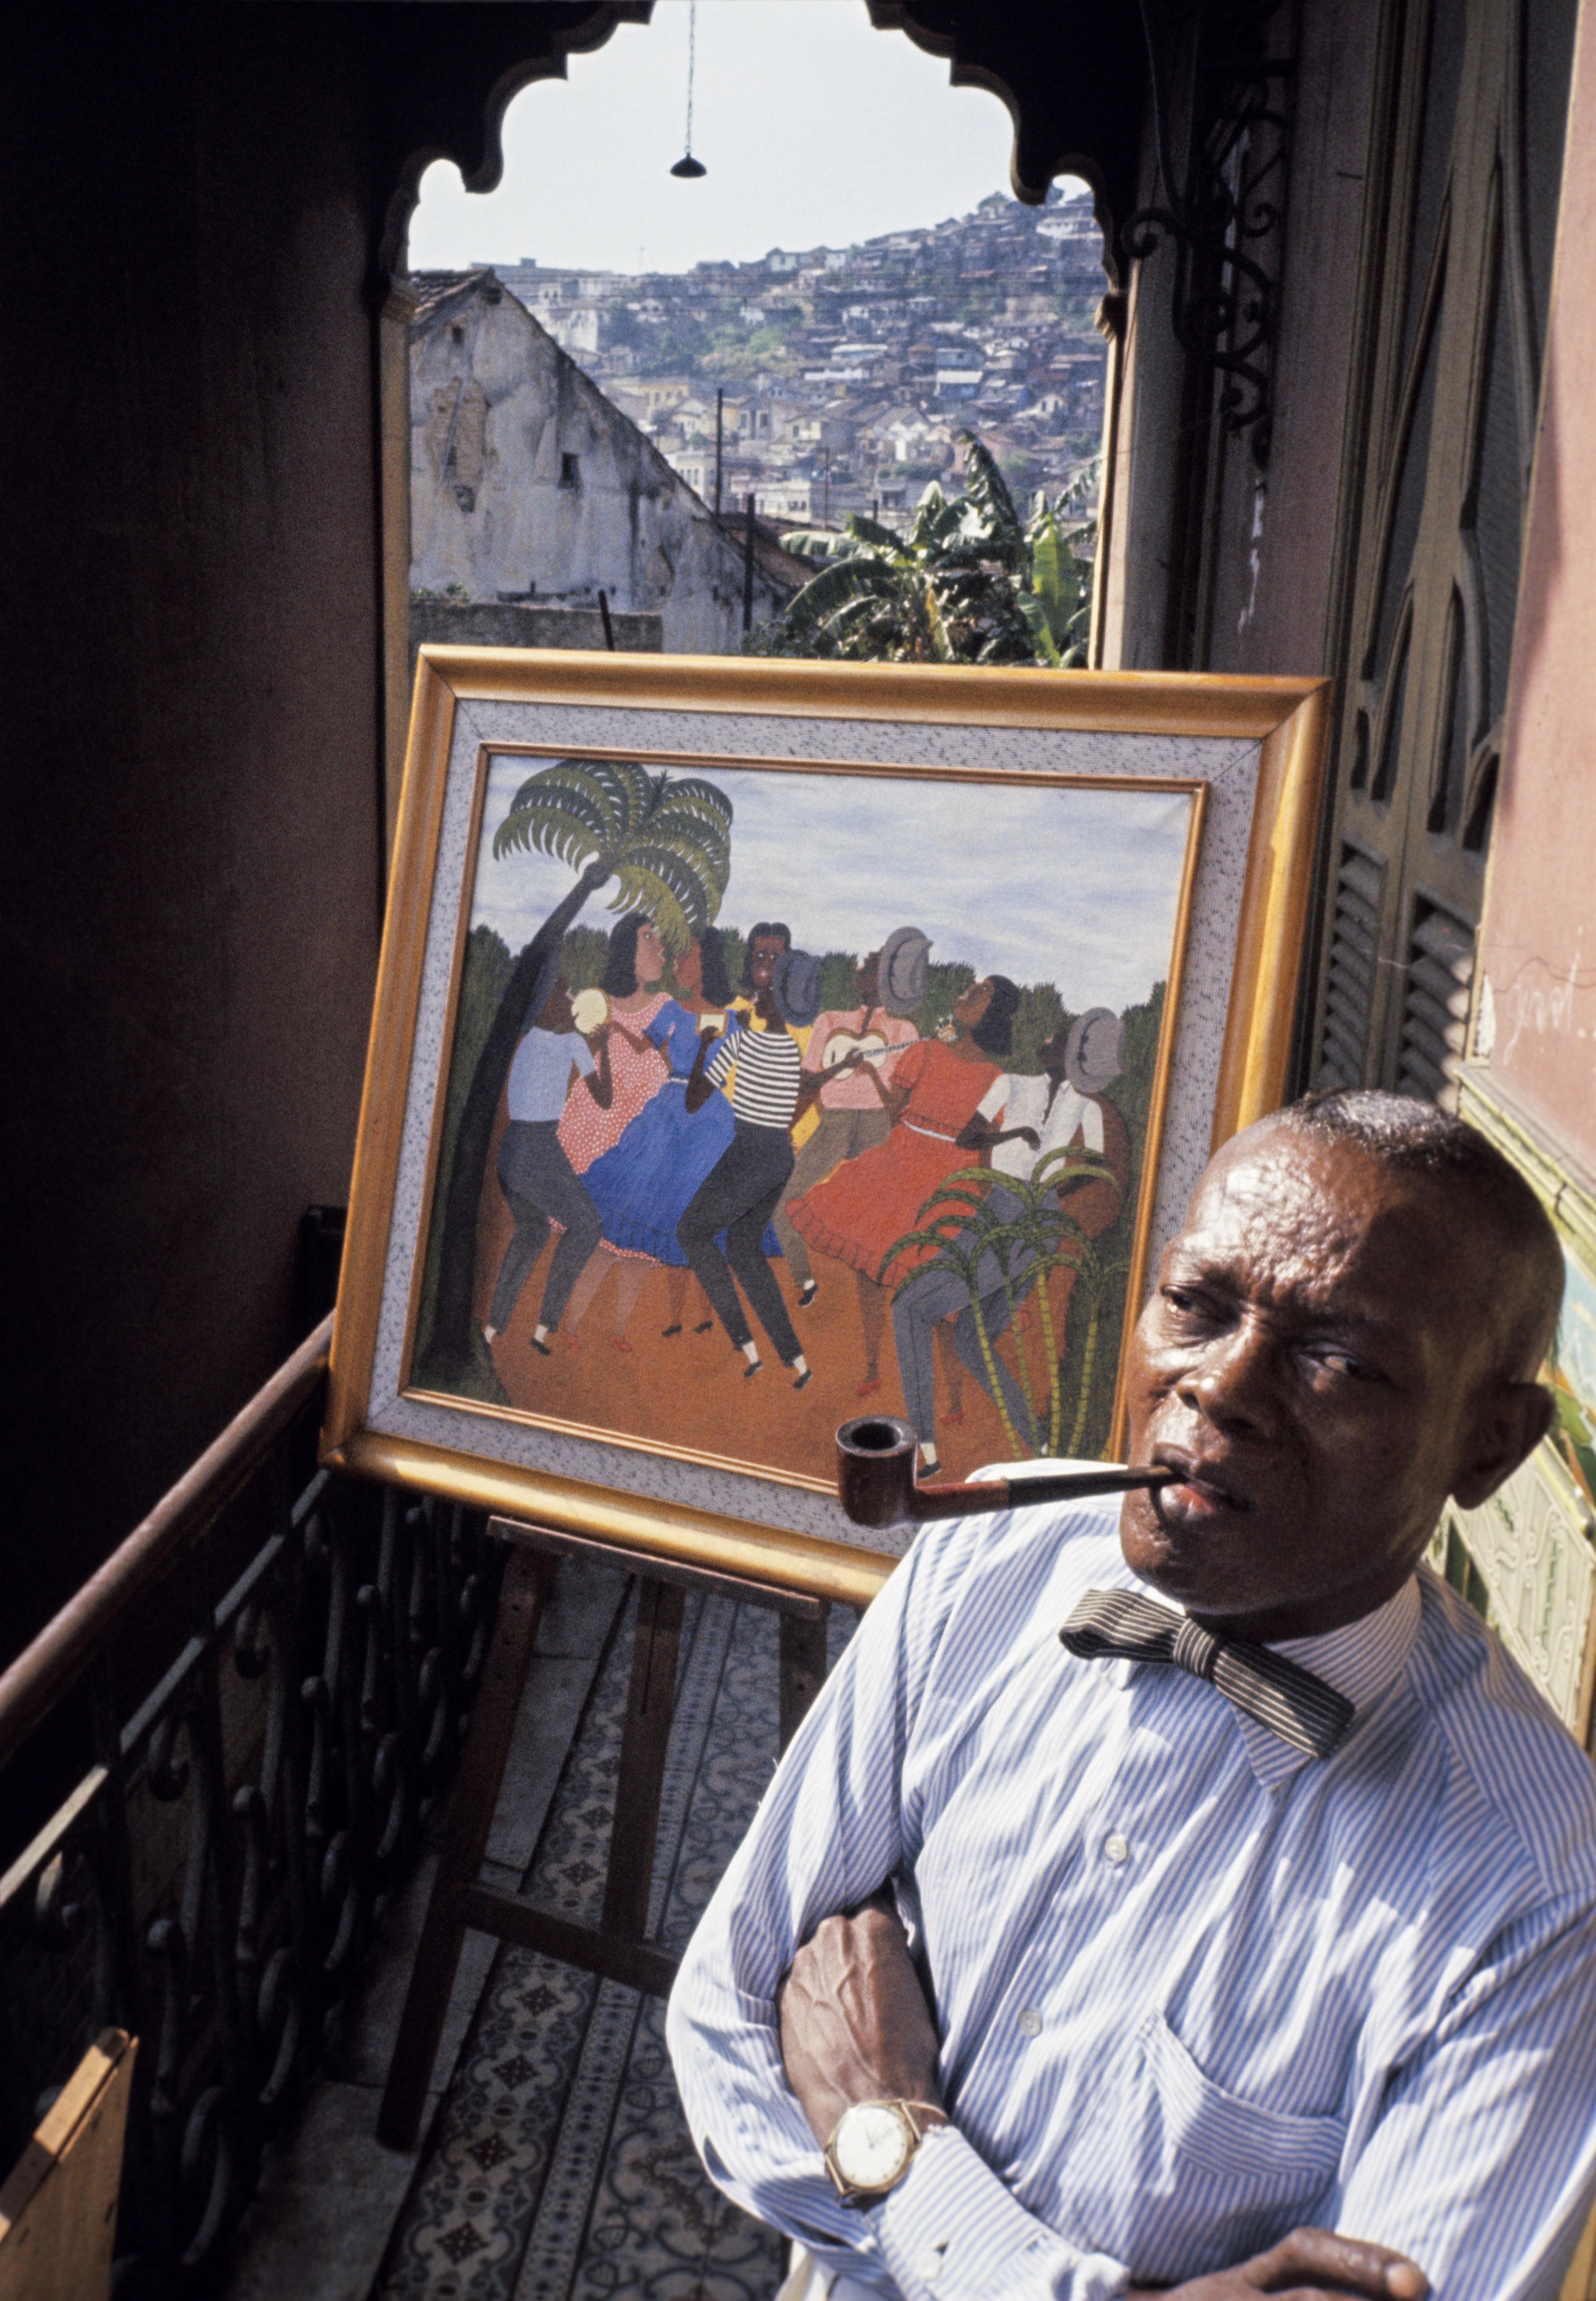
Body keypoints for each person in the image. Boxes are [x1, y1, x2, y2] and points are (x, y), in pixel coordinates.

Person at [668, 1089, 1596, 2301]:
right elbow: (732, 2009)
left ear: (1489, 1444)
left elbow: (832, 2084)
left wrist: (893, 2153)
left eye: (1341, 1358)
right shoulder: (984, 1560)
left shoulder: (1539, 1883)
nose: (1217, 1387)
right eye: (1196, 1307)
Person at [892, 1009, 1131, 1468]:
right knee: (971, 1340)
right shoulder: (1013, 1084)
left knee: (909, 1307)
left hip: (1034, 1217)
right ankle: (1037, 1441)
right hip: (1000, 1208)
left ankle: (924, 1447)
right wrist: (1013, 1133)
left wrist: (1053, 1192)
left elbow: (1095, 1164)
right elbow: (968, 1137)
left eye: (1059, 1037)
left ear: (1075, 1053)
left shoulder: (1087, 1106)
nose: (1046, 1040)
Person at [786, 974, 1020, 1398]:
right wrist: (870, 1075)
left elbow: (985, 1145)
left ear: (995, 1013)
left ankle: (952, 1393)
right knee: (871, 1263)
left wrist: (983, 1206)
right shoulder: (924, 1050)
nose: (967, 990)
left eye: (981, 991)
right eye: (970, 987)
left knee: (942, 1293)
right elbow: (894, 1110)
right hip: (901, 1165)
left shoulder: (995, 1076)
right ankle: (873, 1365)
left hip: (952, 1179)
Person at [677, 924, 817, 1388]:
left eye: (775, 959)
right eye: (759, 955)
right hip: (775, 1156)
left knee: (692, 1232)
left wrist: (705, 1046)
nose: (765, 965)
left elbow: (694, 1098)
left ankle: (746, 1343)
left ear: (789, 972)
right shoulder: (772, 1041)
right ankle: (794, 1360)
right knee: (742, 1248)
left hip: (756, 1152)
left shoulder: (749, 1039)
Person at [772, 930, 928, 1314]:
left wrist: (871, 1076)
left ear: (890, 978)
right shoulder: (829, 1021)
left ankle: (885, 1291)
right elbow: (807, 1082)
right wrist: (839, 1069)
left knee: (882, 1217)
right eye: (863, 962)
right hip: (836, 1123)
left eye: (871, 963)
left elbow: (900, 1103)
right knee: (786, 1201)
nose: (860, 968)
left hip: (879, 1125)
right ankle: (804, 1279)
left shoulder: (904, 1032)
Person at [480, 974, 613, 1355]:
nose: (571, 999)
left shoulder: (567, 1041)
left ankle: (494, 1329)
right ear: (544, 999)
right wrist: (598, 1046)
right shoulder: (549, 1039)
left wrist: (603, 1049)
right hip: (533, 1149)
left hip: (517, 1154)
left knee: (535, 1229)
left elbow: (604, 1099)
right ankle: (541, 1327)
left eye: (572, 991)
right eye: (563, 991)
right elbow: (602, 1097)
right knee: (587, 1225)